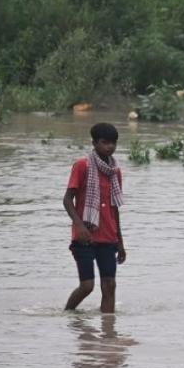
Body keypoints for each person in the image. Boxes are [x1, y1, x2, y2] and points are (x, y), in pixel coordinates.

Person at [64, 123, 127, 312]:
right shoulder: (82, 166)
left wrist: (120, 242)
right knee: (87, 286)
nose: (109, 147)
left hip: (108, 236)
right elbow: (67, 200)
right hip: (84, 237)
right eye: (104, 142)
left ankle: (108, 332)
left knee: (109, 286)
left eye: (113, 143)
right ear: (94, 143)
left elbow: (115, 208)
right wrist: (80, 226)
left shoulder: (114, 172)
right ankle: (68, 315)